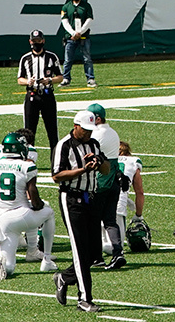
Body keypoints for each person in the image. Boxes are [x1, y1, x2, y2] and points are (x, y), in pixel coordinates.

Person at [52, 110, 108, 314]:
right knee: (79, 249)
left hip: (91, 198)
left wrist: (99, 162)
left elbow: (106, 169)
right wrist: (83, 170)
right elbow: (57, 176)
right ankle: (84, 299)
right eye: (85, 130)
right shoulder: (64, 145)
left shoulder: (93, 144)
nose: (88, 134)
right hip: (71, 199)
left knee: (94, 253)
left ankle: (64, 277)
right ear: (76, 126)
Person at [0, 131, 58, 280]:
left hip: (1, 217)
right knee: (48, 212)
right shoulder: (26, 166)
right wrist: (38, 206)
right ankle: (46, 259)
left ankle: (4, 263)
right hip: (20, 214)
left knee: (10, 268)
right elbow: (32, 191)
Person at [85, 104, 124, 270]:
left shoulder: (96, 135)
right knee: (110, 220)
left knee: (93, 221)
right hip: (114, 180)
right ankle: (118, 252)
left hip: (100, 181)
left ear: (98, 118)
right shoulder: (113, 132)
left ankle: (97, 257)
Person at [18, 29, 63, 151]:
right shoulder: (25, 58)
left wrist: (50, 80)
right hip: (32, 95)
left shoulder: (51, 57)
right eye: (34, 41)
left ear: (43, 41)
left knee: (52, 131)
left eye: (38, 40)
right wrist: (28, 82)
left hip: (47, 95)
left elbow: (60, 76)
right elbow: (19, 79)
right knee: (29, 131)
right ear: (30, 41)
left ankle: (55, 162)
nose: (36, 43)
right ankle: (28, 159)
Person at [109, 140, 144, 255]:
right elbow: (139, 192)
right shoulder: (133, 161)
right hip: (118, 205)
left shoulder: (105, 159)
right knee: (116, 247)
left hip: (100, 202)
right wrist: (138, 215)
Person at [60, 0, 95, 88]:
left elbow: (89, 20)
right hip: (70, 38)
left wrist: (80, 32)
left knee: (87, 58)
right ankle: (66, 78)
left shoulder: (86, 6)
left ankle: (90, 78)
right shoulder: (66, 7)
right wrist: (73, 33)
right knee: (68, 60)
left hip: (84, 37)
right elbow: (64, 22)